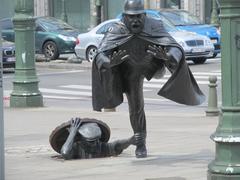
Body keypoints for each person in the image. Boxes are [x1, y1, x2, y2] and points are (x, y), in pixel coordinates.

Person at [91, 0, 205, 158]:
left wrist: (168, 56)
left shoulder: (154, 25)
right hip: (129, 71)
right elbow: (99, 55)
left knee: (137, 106)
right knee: (136, 107)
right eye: (131, 17)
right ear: (124, 17)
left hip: (150, 63)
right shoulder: (116, 29)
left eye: (139, 16)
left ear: (144, 15)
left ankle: (140, 141)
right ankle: (140, 142)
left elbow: (175, 47)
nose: (135, 20)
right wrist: (109, 62)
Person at [60, 118, 134, 160]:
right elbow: (65, 153)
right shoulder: (77, 148)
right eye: (90, 141)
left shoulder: (101, 147)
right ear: (82, 139)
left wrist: (129, 141)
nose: (95, 143)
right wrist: (72, 133)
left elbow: (116, 146)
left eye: (97, 140)